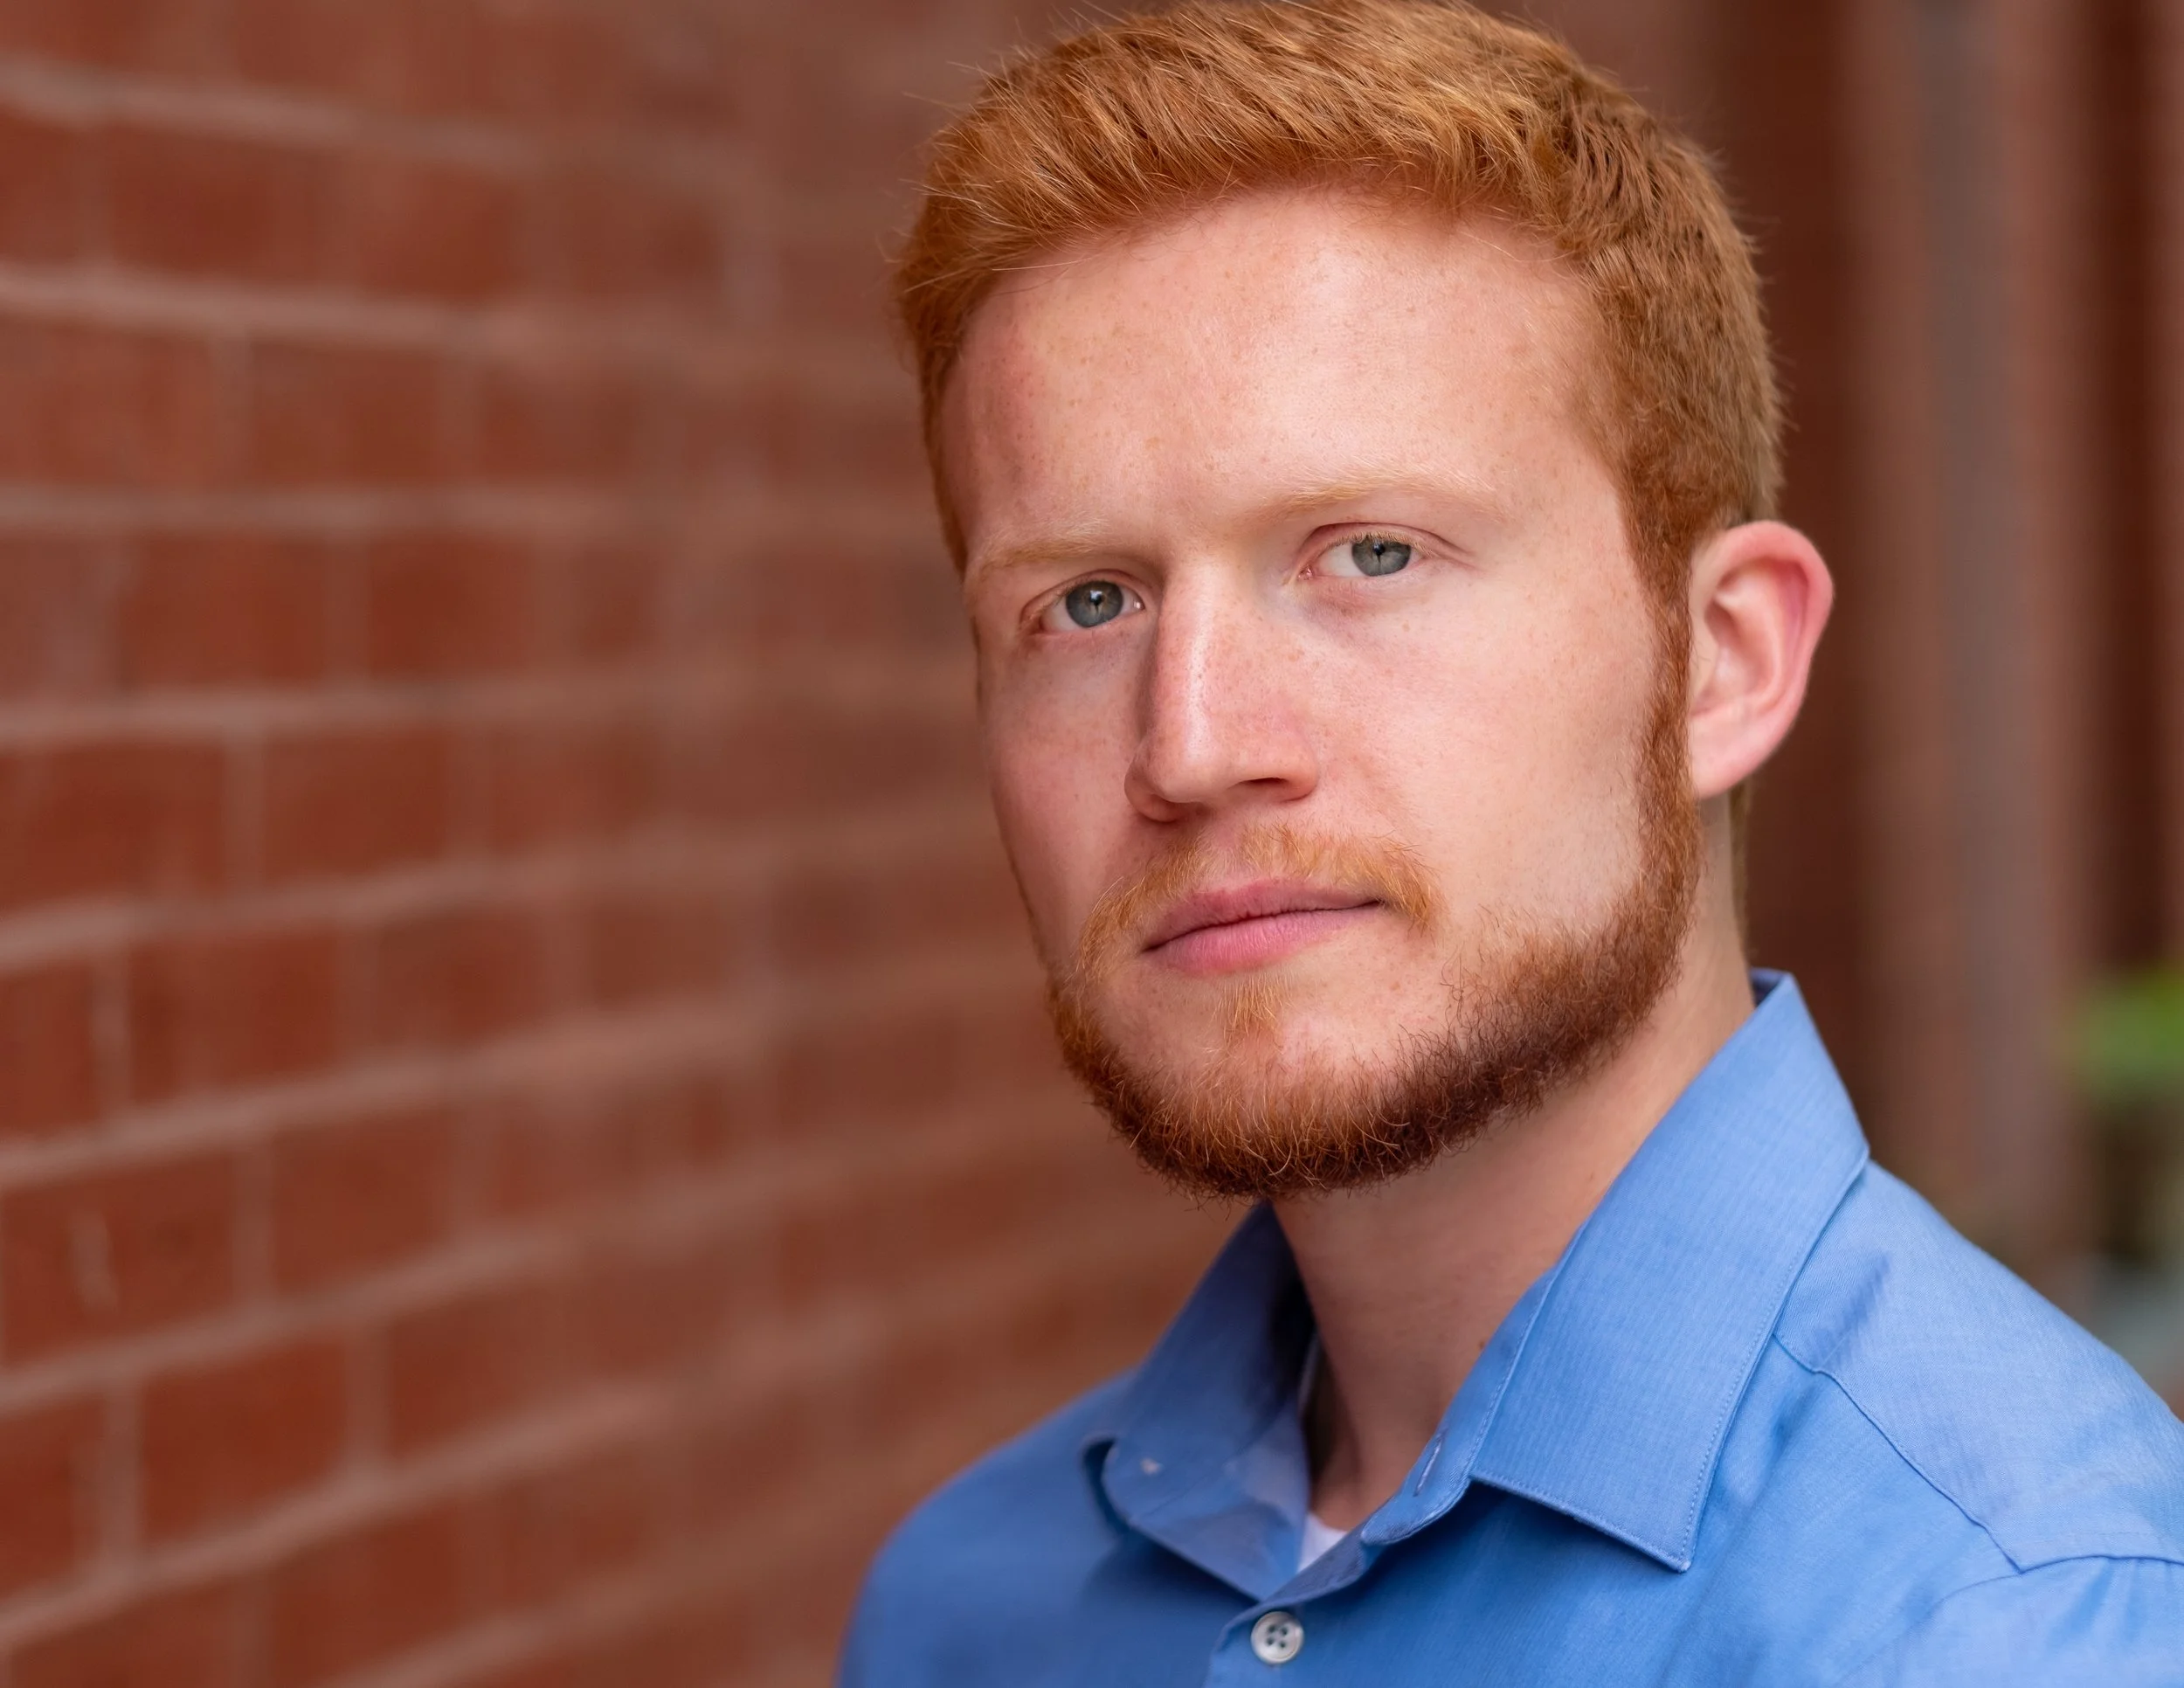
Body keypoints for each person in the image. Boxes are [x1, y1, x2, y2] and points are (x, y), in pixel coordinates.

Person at [840, 2, 2184, 1681]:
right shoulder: (970, 1612)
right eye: (1087, 603)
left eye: (1370, 556)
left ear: (1726, 660)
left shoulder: (2017, 1617)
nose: (1189, 745)